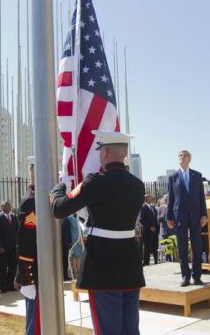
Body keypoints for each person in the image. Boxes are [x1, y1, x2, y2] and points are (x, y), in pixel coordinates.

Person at [50, 130, 146, 334]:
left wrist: (58, 189)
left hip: (102, 267)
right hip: (130, 265)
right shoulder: (138, 185)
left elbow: (59, 208)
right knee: (130, 330)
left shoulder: (97, 181)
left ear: (105, 153)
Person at [166, 149, 208, 287]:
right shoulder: (173, 177)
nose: (181, 157)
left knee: (197, 247)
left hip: (195, 216)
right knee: (182, 248)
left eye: (184, 155)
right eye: (179, 155)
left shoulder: (197, 175)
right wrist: (168, 217)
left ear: (189, 159)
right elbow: (170, 199)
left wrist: (204, 215)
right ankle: (185, 277)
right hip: (179, 216)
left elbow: (201, 197)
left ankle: (197, 276)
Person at [16, 162, 41, 335]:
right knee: (36, 322)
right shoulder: (31, 201)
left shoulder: (37, 197)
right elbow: (25, 242)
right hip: (36, 272)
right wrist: (28, 279)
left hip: (42, 268)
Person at [0, 201, 18, 293]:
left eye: (8, 206)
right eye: (5, 206)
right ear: (2, 207)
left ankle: (10, 285)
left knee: (13, 267)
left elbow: (16, 233)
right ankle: (2, 286)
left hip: (13, 247)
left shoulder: (14, 218)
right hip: (3, 248)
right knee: (3, 268)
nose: (7, 207)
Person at [139, 194, 160, 266]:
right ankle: (146, 263)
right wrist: (150, 227)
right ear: (147, 199)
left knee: (155, 247)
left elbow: (155, 218)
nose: (152, 198)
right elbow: (141, 219)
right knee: (148, 248)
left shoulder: (153, 207)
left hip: (155, 231)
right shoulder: (143, 207)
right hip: (148, 232)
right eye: (151, 197)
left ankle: (156, 262)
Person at [68, 214, 83, 278]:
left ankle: (79, 271)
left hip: (80, 238)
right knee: (74, 256)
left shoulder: (78, 218)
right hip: (74, 238)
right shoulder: (69, 218)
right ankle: (75, 272)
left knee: (79, 256)